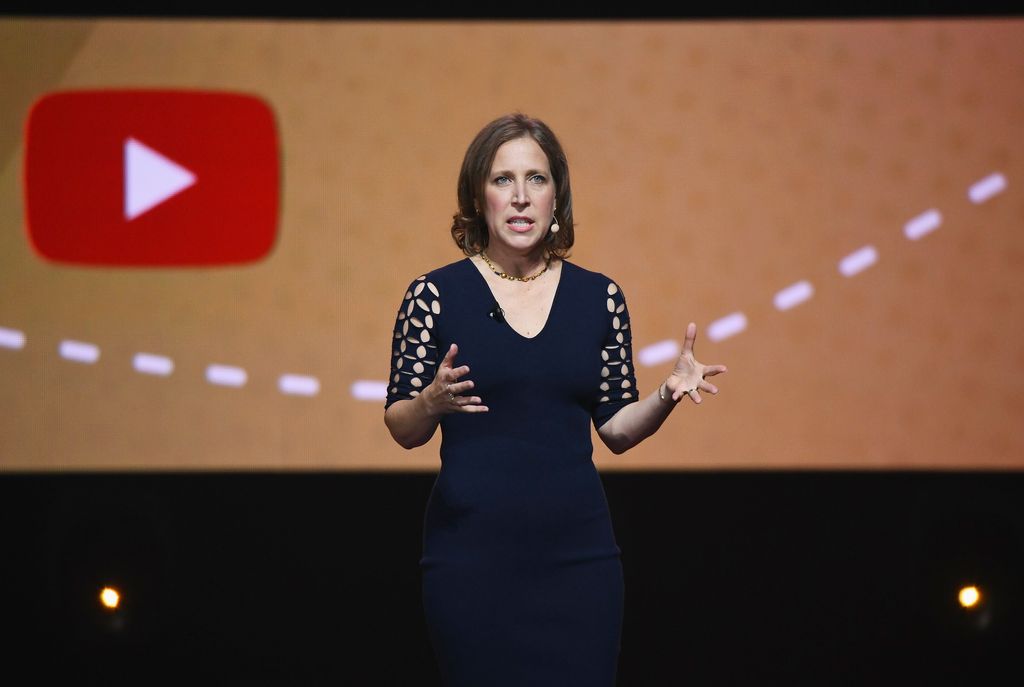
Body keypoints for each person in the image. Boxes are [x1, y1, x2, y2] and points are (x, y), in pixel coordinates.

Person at [384, 112, 727, 686]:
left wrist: (666, 395)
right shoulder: (434, 295)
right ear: (478, 196)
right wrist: (431, 402)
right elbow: (402, 425)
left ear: (557, 197)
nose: (520, 198)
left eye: (537, 180)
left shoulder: (600, 297)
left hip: (578, 563)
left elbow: (616, 430)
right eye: (502, 180)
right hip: (469, 562)